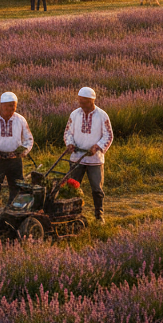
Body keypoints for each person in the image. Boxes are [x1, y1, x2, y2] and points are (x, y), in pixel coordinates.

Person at [64, 87, 113, 225]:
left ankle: (99, 215)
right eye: (80, 101)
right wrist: (70, 144)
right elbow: (68, 132)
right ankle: (72, 214)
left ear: (92, 101)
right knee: (72, 187)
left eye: (84, 102)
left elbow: (108, 135)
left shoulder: (102, 115)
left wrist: (97, 147)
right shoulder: (75, 114)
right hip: (76, 156)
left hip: (94, 158)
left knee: (97, 188)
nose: (82, 105)